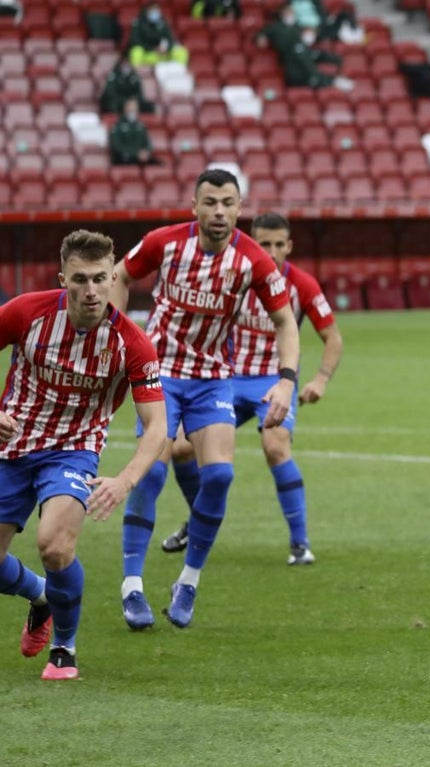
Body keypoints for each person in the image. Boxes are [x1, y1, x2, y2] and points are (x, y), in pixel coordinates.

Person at [111, 168, 301, 630]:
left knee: (217, 476)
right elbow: (119, 274)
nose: (219, 211)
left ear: (239, 208)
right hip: (161, 374)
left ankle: (188, 582)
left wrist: (287, 379)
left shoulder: (254, 260)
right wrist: (115, 336)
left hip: (214, 378)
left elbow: (285, 323)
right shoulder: (165, 242)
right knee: (152, 473)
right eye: (210, 202)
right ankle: (131, 587)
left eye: (228, 203)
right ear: (194, 205)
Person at [0, 230, 167, 680]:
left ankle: (64, 648)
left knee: (54, 545)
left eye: (101, 278)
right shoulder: (26, 313)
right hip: (10, 446)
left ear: (114, 277)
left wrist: (124, 480)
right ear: (63, 279)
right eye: (81, 279)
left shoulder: (132, 343)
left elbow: (157, 427)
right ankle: (41, 596)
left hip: (73, 452)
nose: (93, 290)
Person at [159, 212, 343, 565]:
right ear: (251, 241)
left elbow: (332, 337)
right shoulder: (231, 275)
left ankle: (300, 544)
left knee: (275, 446)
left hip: (273, 382)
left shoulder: (302, 285)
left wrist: (320, 378)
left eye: (278, 244)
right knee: (180, 448)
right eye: (264, 243)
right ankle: (201, 520)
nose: (271, 252)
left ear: (289, 246)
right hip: (225, 379)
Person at [256, 2, 353, 91]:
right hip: (294, 70)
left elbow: (313, 55)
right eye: (288, 12)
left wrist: (335, 61)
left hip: (300, 61)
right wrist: (332, 80)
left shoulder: (297, 29)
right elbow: (308, 67)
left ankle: (331, 81)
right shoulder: (276, 27)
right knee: (317, 78)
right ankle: (331, 82)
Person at [127, 2, 190, 68]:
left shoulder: (163, 22)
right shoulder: (138, 23)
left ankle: (179, 72)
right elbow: (135, 41)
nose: (155, 12)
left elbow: (171, 39)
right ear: (146, 12)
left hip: (162, 53)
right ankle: (138, 75)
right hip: (147, 53)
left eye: (156, 10)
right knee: (136, 52)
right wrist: (152, 49)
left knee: (182, 51)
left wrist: (167, 48)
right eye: (152, 10)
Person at [108, 98, 159, 167]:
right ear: (125, 109)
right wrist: (135, 153)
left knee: (158, 164)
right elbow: (117, 146)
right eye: (130, 108)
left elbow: (147, 143)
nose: (133, 111)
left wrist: (146, 152)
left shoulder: (140, 126)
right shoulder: (117, 126)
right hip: (125, 159)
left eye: (134, 108)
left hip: (140, 158)